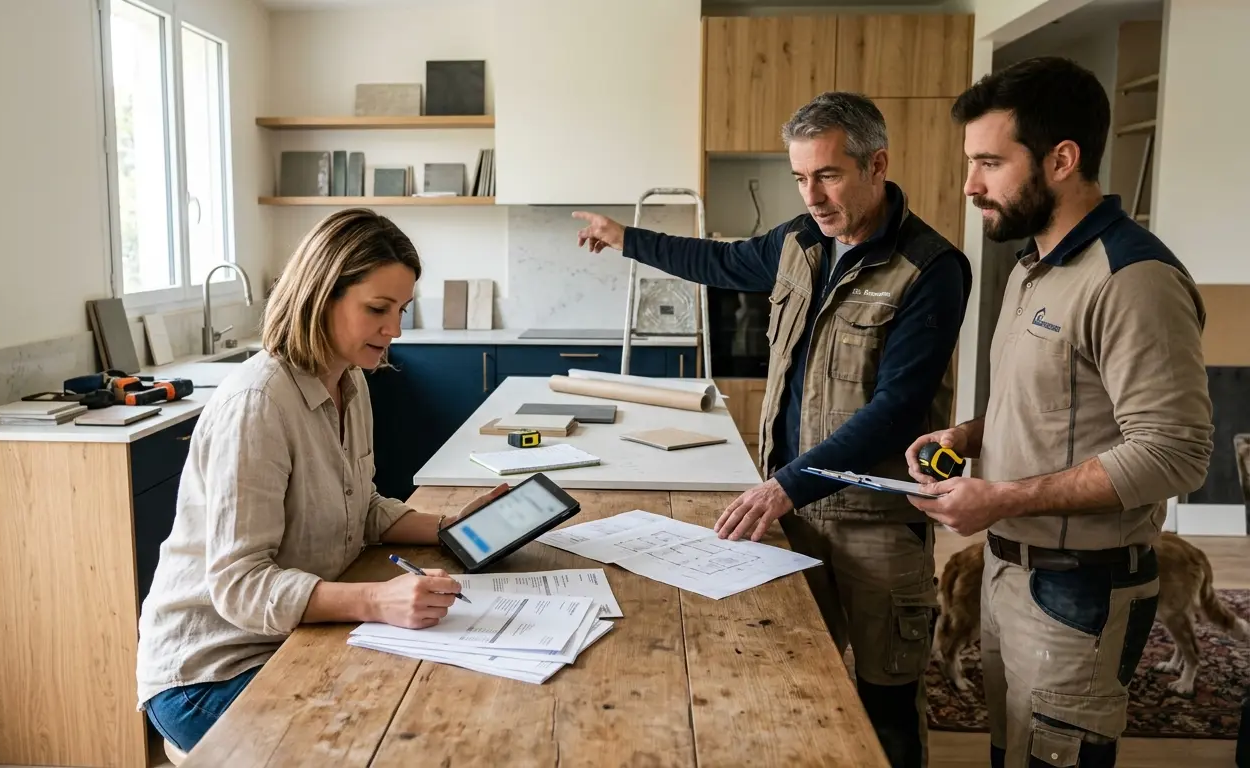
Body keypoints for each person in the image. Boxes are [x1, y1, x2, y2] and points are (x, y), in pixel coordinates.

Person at [574, 92, 971, 768]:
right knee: (797, 684)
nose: (812, 196)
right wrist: (626, 238)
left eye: (828, 175)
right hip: (792, 516)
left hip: (876, 525)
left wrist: (786, 485)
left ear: (877, 165)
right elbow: (718, 263)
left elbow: (897, 410)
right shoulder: (798, 241)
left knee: (888, 706)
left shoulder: (930, 268)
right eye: (800, 177)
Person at [904, 57, 1213, 768]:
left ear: (1062, 160)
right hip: (1007, 571)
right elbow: (1045, 407)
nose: (970, 184)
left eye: (989, 163)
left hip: (1080, 590)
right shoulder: (1031, 267)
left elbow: (1174, 452)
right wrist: (967, 436)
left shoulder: (1134, 279)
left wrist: (1003, 497)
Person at [135, 209, 507, 752]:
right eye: (377, 309)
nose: (395, 330)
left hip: (292, 637)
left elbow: (360, 505)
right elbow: (240, 586)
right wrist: (378, 600)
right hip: (212, 672)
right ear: (320, 296)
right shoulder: (258, 404)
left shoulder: (350, 381)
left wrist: (450, 526)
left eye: (401, 310)